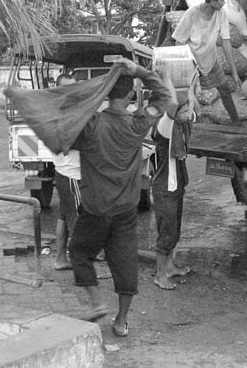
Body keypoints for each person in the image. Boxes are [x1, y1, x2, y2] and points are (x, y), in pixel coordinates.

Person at [68, 56, 170, 337]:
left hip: (95, 208)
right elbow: (164, 95)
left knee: (79, 252)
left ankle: (97, 301)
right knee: (125, 263)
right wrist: (141, 71)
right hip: (126, 209)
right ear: (130, 94)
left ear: (106, 93)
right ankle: (121, 321)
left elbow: (68, 117)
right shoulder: (138, 123)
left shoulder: (91, 126)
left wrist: (93, 95)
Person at [172, 0, 242, 125]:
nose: (224, 3)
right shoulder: (192, 14)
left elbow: (226, 41)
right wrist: (186, 67)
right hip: (192, 61)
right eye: (222, 0)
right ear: (213, 1)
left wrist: (235, 73)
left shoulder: (221, 13)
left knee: (224, 88)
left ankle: (236, 121)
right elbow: (179, 42)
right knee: (188, 96)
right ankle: (189, 123)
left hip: (210, 58)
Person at [151, 75, 193, 290]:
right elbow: (174, 103)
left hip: (176, 186)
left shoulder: (180, 125)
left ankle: (170, 267)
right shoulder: (165, 127)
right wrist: (167, 74)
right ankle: (160, 275)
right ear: (173, 113)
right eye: (184, 111)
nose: (188, 114)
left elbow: (185, 104)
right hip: (164, 188)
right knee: (166, 233)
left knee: (174, 231)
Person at [51, 73, 81, 270]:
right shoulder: (65, 115)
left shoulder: (61, 111)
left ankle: (61, 259)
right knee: (79, 223)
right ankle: (81, 267)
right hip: (71, 175)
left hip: (63, 172)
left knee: (63, 217)